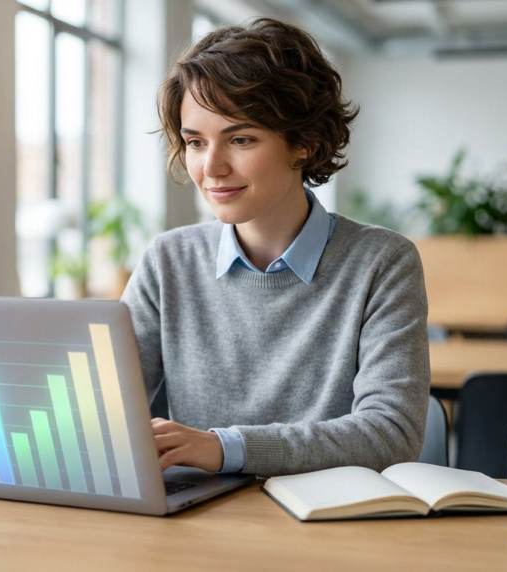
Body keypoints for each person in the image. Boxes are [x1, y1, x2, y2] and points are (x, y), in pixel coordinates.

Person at [120, 18, 430, 477]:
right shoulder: (168, 261)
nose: (211, 167)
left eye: (240, 139)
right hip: (196, 524)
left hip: (327, 526)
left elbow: (391, 432)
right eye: (195, 142)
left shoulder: (382, 263)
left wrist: (225, 447)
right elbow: (104, 412)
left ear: (305, 143)